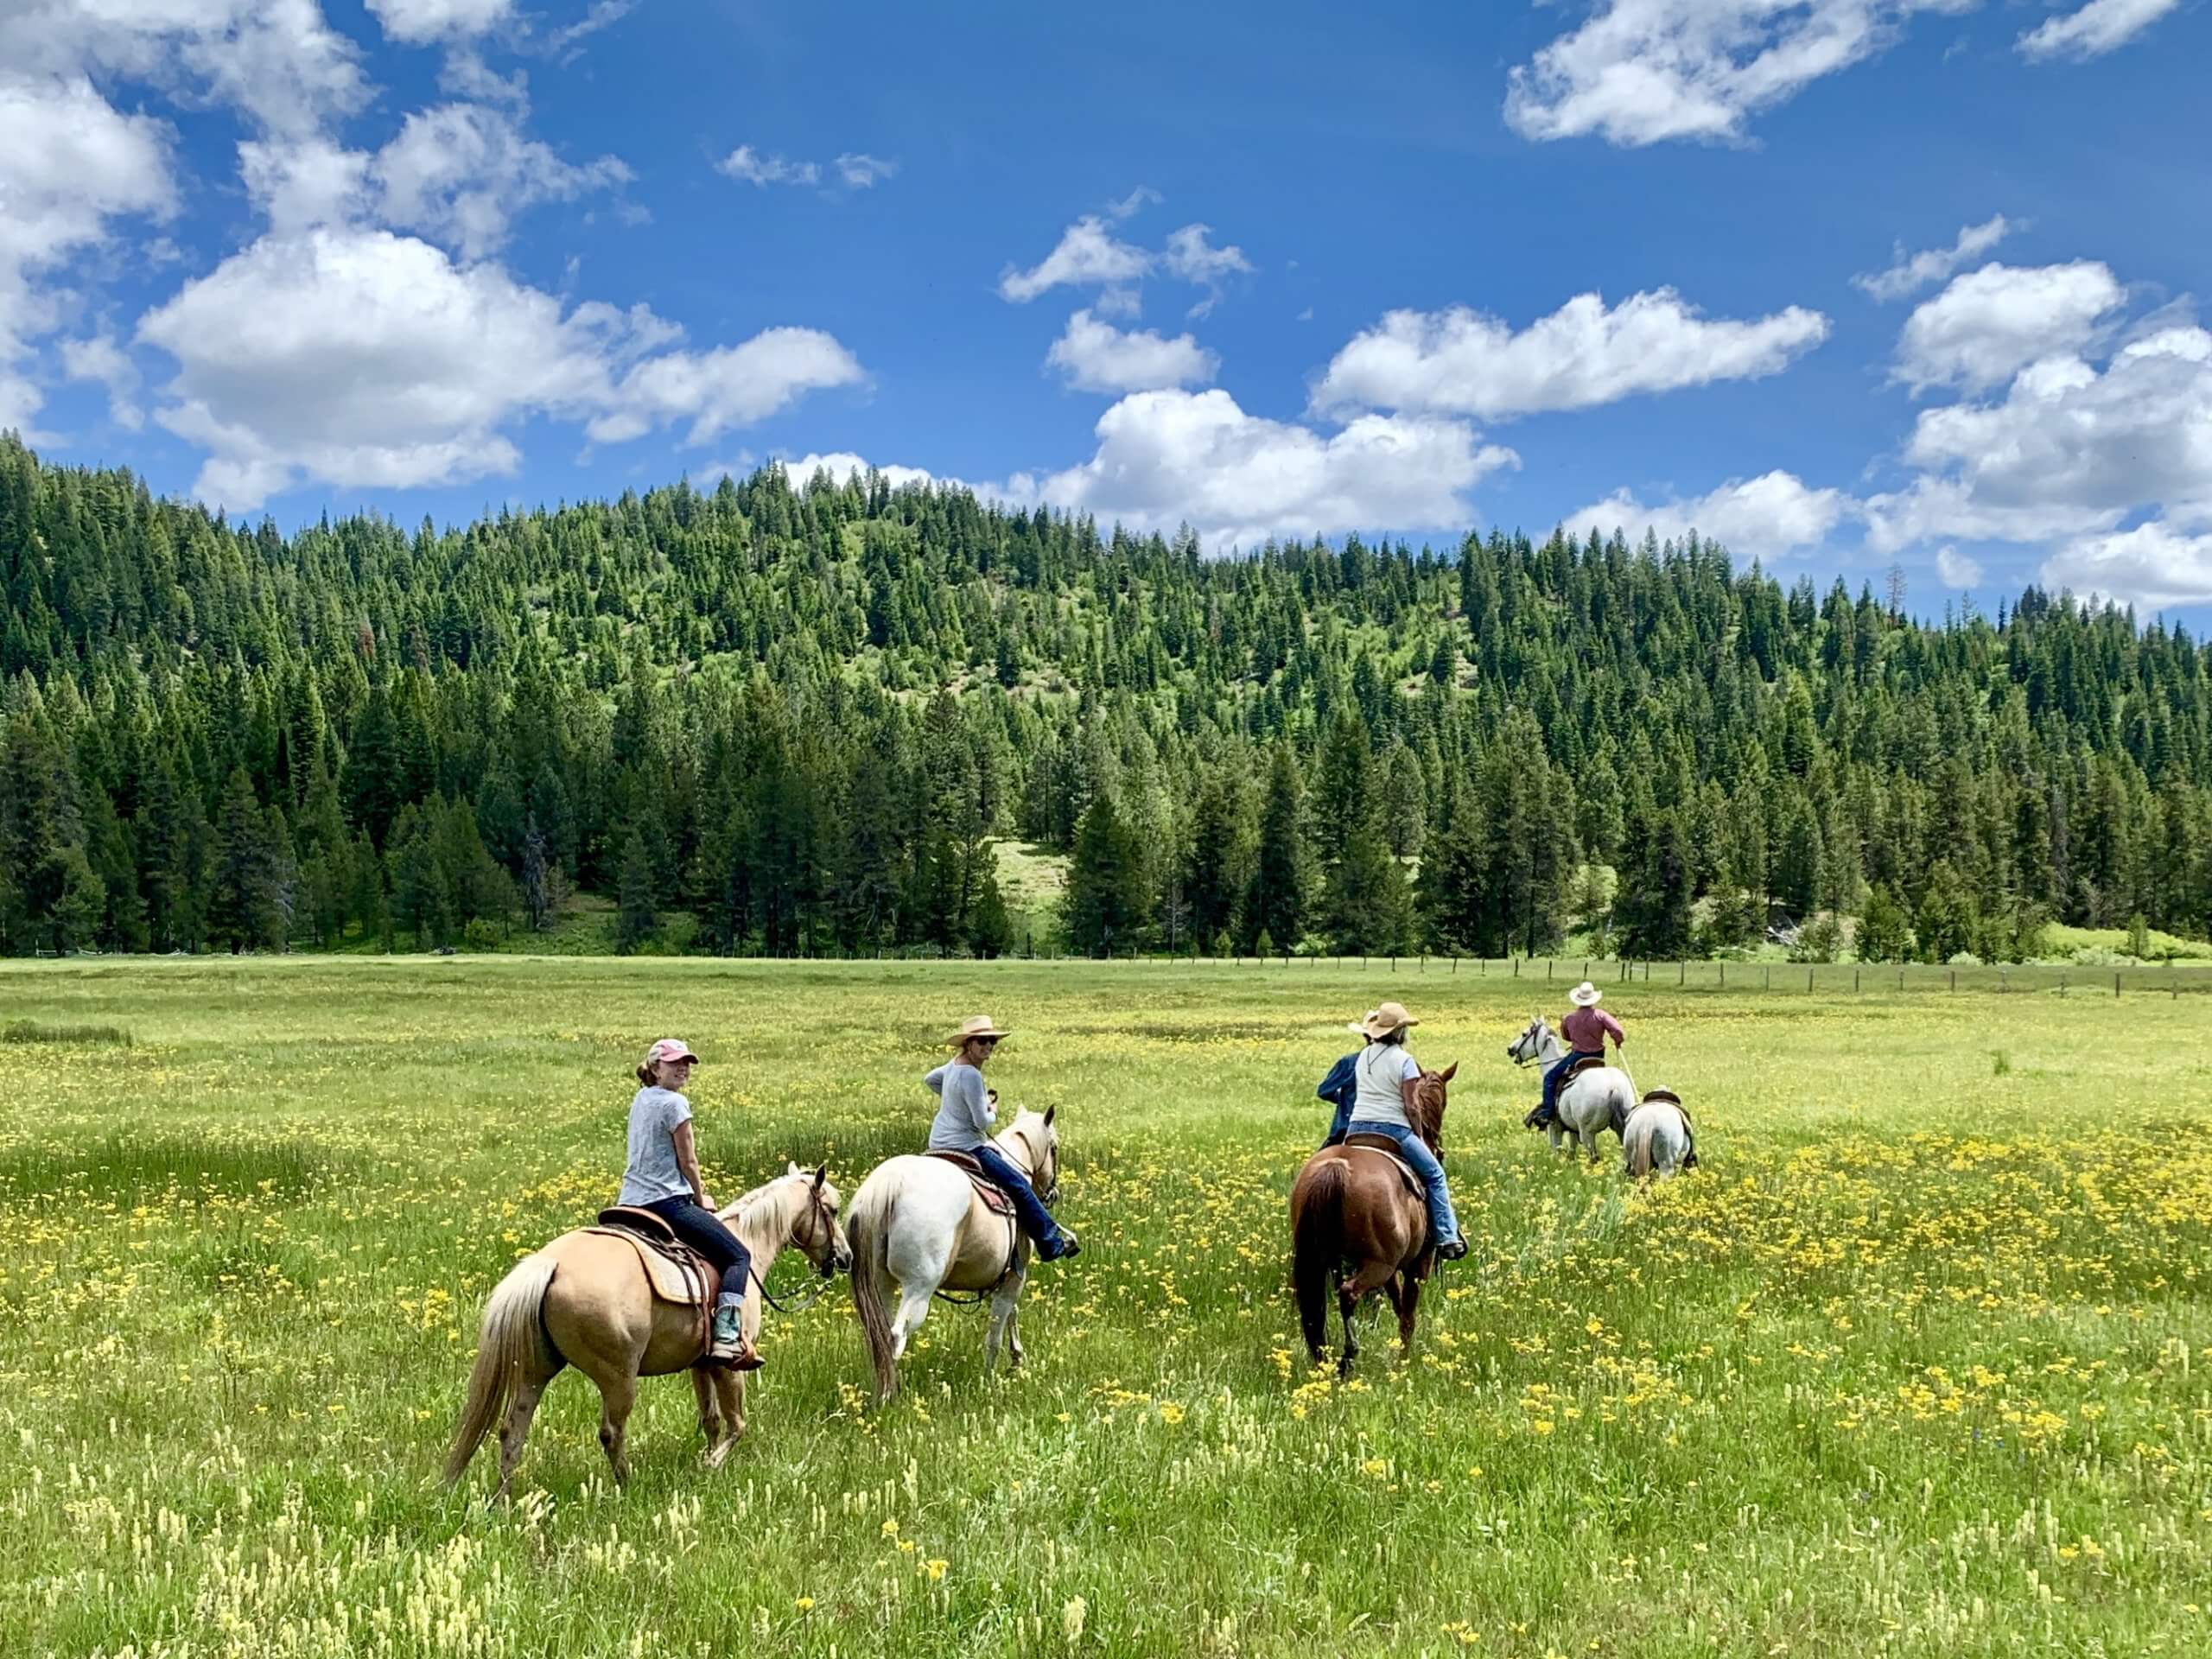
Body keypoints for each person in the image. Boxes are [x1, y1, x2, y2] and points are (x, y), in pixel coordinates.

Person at [616, 1039, 761, 1370]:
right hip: (668, 1202)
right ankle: (726, 1333)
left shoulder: (641, 1098)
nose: (683, 1068)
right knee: (738, 1255)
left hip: (629, 1202)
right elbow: (689, 1162)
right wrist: (701, 1198)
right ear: (655, 1068)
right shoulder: (675, 1104)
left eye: (687, 1062)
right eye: (674, 1063)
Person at [925, 1015, 1079, 1261]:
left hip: (937, 1143)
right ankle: (1051, 1242)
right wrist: (991, 1110)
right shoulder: (972, 1075)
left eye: (992, 1041)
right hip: (968, 1147)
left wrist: (955, 1100)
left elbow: (930, 1079)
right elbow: (981, 1122)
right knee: (1019, 1184)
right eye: (982, 1041)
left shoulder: (954, 1064)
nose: (988, 1046)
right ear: (969, 1044)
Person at [1340, 1002, 1467, 1262]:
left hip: (1355, 1129)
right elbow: (1411, 1105)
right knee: (1435, 1175)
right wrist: (1419, 1135)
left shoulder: (1363, 1056)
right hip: (1393, 1129)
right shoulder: (1404, 1060)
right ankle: (1447, 1236)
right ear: (1401, 1033)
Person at [1535, 982, 1626, 1128]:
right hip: (1598, 1057)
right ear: (1593, 999)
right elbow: (1617, 1030)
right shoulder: (1601, 1015)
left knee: (1550, 1078)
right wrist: (1617, 1041)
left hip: (1577, 1057)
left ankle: (1546, 1113)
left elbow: (1566, 1037)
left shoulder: (1569, 1019)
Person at [1315, 1013, 1373, 1147]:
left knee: (1314, 1164)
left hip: (1347, 1127)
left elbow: (1324, 1091)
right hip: (1385, 1127)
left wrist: (1344, 1098)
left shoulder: (1348, 1062)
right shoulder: (1397, 1061)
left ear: (1365, 1036)